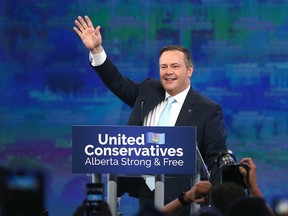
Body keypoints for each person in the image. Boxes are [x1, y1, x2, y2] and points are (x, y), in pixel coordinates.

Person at [73, 15, 227, 214]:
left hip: (184, 196)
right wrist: (96, 50)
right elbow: (116, 82)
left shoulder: (208, 109)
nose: (168, 72)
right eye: (163, 67)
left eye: (175, 66)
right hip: (146, 190)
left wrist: (217, 204)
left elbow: (215, 161)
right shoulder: (148, 91)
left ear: (189, 71)